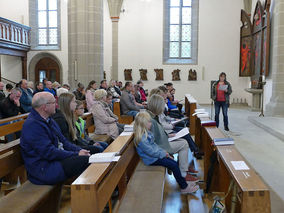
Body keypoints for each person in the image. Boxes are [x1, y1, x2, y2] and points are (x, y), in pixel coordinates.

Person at [20, 92, 90, 185]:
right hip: (44, 169)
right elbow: (49, 152)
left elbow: (64, 142)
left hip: (55, 162)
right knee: (86, 160)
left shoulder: (49, 120)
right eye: (53, 102)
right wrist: (76, 154)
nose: (56, 105)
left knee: (91, 153)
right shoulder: (33, 125)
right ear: (45, 107)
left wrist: (80, 150)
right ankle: (86, 196)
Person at [133, 111, 199, 194]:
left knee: (174, 163)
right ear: (143, 124)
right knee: (174, 165)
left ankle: (184, 183)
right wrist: (164, 154)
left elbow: (155, 146)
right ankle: (184, 187)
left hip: (155, 157)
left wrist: (164, 153)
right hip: (151, 160)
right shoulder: (142, 139)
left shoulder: (147, 133)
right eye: (149, 122)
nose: (151, 123)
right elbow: (151, 152)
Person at [147, 94, 198, 182]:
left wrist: (168, 136)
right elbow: (154, 139)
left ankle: (183, 169)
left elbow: (158, 132)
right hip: (159, 147)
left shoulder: (153, 115)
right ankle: (183, 173)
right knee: (184, 143)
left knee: (183, 141)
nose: (163, 108)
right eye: (162, 106)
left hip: (161, 142)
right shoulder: (151, 119)